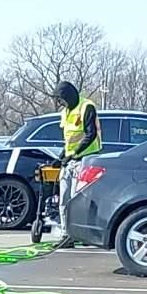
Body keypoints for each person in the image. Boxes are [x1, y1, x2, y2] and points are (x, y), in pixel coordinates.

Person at [44, 80, 103, 245]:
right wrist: (61, 157)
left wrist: (75, 153)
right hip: (70, 161)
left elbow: (90, 134)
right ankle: (66, 234)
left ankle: (83, 234)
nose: (59, 103)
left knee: (77, 199)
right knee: (63, 199)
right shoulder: (65, 112)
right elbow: (69, 140)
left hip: (86, 160)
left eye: (61, 99)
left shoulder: (86, 107)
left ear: (68, 96)